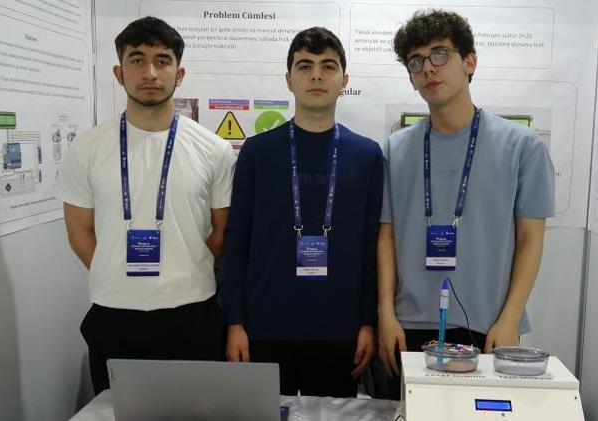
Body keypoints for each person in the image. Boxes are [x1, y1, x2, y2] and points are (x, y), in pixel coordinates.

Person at [377, 9, 555, 397]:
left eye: (440, 54)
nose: (428, 68)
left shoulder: (522, 147)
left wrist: (510, 318)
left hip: (490, 327)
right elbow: (386, 237)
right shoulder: (395, 149)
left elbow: (531, 240)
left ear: (470, 62)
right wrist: (385, 314)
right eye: (416, 61)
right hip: (407, 327)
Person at [55, 16, 235, 394]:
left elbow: (222, 232)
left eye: (162, 60)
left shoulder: (214, 150)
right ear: (118, 73)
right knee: (119, 412)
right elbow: (79, 233)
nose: (150, 72)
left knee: (195, 413)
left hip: (193, 312)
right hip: (114, 313)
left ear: (179, 73)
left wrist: (184, 270)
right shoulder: (86, 149)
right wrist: (116, 273)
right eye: (137, 59)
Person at [222, 27, 383, 398]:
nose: (316, 75)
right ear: (289, 79)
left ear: (344, 81)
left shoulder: (367, 155)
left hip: (339, 331)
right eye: (305, 66)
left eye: (328, 66)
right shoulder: (257, 152)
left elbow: (371, 247)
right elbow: (237, 239)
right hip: (264, 329)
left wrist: (367, 322)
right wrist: (235, 321)